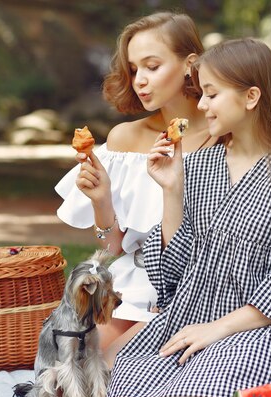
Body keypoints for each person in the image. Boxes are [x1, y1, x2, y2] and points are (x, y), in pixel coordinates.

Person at [106, 38, 271, 397]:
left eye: (212, 94)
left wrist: (219, 329)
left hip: (265, 328)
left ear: (251, 97)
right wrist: (171, 192)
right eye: (201, 93)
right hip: (194, 314)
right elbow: (171, 274)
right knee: (125, 396)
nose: (200, 105)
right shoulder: (201, 164)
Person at [54, 12, 217, 368]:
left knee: (115, 373)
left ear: (190, 65)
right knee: (74, 369)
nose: (140, 81)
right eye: (133, 70)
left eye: (152, 66)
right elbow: (113, 246)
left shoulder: (222, 136)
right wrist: (101, 202)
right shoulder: (124, 139)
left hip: (199, 289)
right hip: (135, 282)